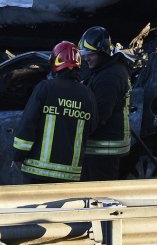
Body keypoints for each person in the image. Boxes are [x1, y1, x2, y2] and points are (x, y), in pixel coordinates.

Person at [12, 41, 97, 183]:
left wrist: (17, 156)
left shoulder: (45, 88)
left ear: (56, 61)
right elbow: (93, 128)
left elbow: (28, 125)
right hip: (69, 175)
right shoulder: (87, 94)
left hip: (37, 172)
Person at [77, 26, 131, 181]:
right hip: (102, 146)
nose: (86, 58)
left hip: (104, 148)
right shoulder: (105, 70)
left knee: (99, 194)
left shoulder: (110, 77)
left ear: (102, 53)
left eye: (91, 54)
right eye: (84, 54)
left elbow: (99, 116)